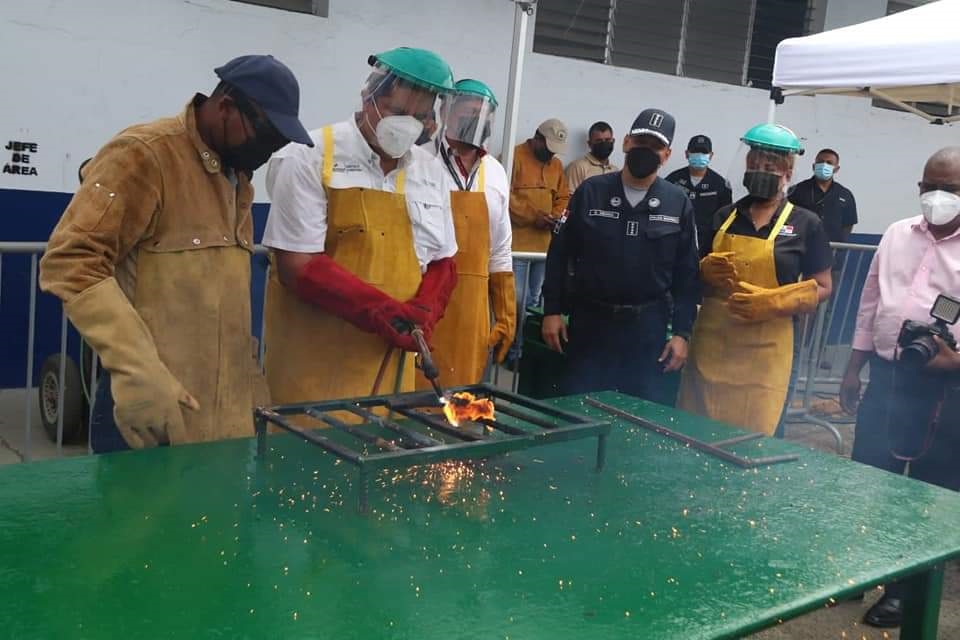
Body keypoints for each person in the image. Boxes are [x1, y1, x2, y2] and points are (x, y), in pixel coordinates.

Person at [39, 55, 313, 452]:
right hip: (153, 409)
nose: (269, 149)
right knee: (139, 516)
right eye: (267, 134)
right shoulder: (145, 155)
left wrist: (250, 382)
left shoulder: (236, 177)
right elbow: (72, 261)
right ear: (226, 106)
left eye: (280, 141)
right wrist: (137, 370)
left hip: (224, 422)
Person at [262, 47, 459, 406]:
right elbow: (297, 265)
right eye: (397, 111)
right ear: (369, 97)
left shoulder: (430, 172)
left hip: (391, 367)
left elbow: (444, 260)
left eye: (418, 117)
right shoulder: (308, 155)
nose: (406, 125)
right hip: (315, 363)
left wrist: (427, 308)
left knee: (383, 450)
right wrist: (382, 312)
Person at [839, 146, 960, 630]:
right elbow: (870, 302)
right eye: (929, 186)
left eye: (950, 189)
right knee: (870, 478)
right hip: (887, 378)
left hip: (946, 386)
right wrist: (854, 366)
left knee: (930, 492)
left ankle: (908, 591)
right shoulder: (895, 234)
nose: (937, 197)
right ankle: (862, 569)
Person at [677, 123, 833, 436]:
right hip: (712, 347)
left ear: (787, 170)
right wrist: (703, 271)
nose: (760, 169)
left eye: (770, 165)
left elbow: (824, 286)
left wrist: (777, 301)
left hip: (766, 355)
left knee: (755, 439)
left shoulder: (806, 223)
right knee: (697, 433)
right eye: (754, 162)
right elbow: (694, 277)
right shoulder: (725, 216)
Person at [541, 108, 699, 404]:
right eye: (641, 142)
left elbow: (687, 275)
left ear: (667, 154)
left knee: (638, 415)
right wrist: (552, 310)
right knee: (579, 408)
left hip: (647, 330)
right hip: (591, 323)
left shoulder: (677, 204)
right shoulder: (591, 192)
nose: (646, 151)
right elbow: (560, 254)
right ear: (626, 142)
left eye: (656, 147)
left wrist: (681, 333)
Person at [416, 79, 515, 388]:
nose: (476, 120)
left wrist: (506, 313)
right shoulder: (418, 160)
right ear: (445, 110)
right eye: (468, 112)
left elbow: (500, 247)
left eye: (483, 114)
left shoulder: (496, 172)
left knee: (463, 402)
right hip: (422, 303)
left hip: (472, 313)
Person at [506, 118, 571, 369]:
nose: (551, 153)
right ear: (537, 138)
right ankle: (511, 350)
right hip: (517, 246)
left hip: (544, 249)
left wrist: (556, 215)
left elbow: (563, 196)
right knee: (518, 301)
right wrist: (534, 216)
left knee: (533, 301)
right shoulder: (514, 157)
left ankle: (522, 352)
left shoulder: (556, 165)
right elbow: (504, 196)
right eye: (549, 146)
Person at [665, 134, 732, 250]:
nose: (699, 156)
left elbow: (725, 220)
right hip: (675, 242)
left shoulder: (720, 185)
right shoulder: (673, 180)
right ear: (687, 154)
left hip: (706, 246)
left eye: (703, 152)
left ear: (711, 156)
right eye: (695, 152)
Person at [788, 148, 858, 242]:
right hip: (800, 248)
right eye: (820, 162)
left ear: (836, 169)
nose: (824, 165)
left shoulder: (845, 195)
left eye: (829, 163)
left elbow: (848, 224)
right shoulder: (796, 190)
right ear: (814, 166)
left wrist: (839, 244)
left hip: (832, 250)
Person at [565, 121, 619, 191]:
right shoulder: (578, 167)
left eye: (607, 140)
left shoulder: (615, 171)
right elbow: (570, 198)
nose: (604, 143)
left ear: (613, 141)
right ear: (590, 144)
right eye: (599, 141)